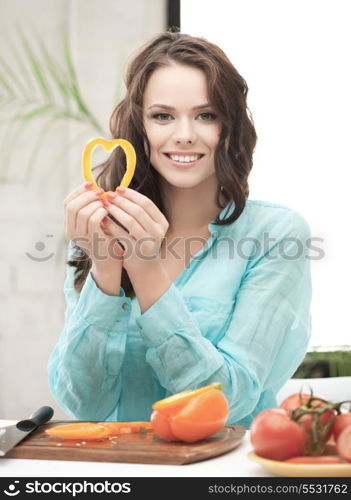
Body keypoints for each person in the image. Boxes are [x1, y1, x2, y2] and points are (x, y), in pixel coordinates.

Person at [48, 30, 312, 429]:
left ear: (230, 128)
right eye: (163, 116)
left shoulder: (276, 234)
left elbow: (227, 401)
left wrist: (146, 270)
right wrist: (105, 268)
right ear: (140, 128)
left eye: (206, 115)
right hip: (126, 474)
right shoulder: (100, 232)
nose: (184, 133)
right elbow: (85, 404)